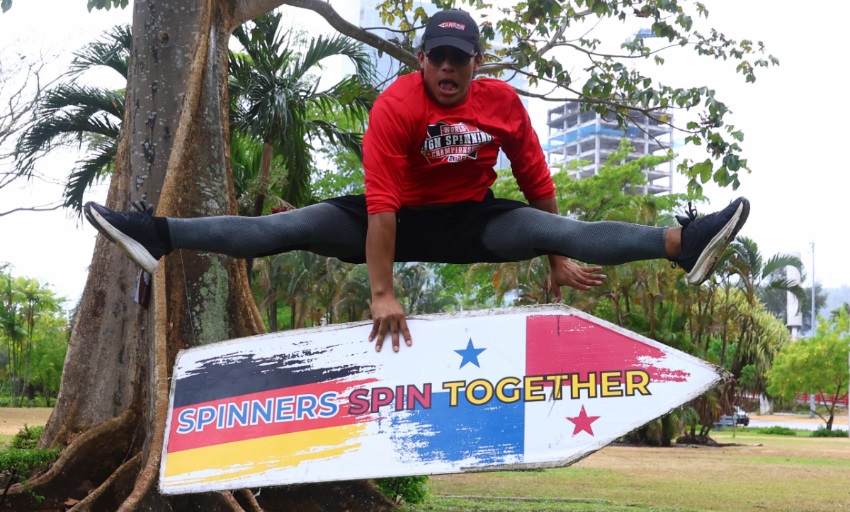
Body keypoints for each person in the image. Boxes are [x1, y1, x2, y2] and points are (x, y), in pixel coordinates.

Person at [84, 9, 750, 353]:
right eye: (438, 58)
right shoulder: (397, 106)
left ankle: (682, 243)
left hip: (473, 219)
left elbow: (541, 191)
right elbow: (382, 212)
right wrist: (383, 293)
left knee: (567, 227)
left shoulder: (504, 105)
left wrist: (555, 256)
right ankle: (156, 233)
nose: (449, 70)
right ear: (423, 60)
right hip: (387, 218)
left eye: (461, 60)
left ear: (476, 62)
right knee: (280, 230)